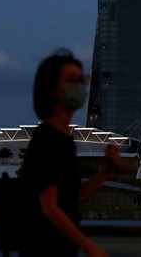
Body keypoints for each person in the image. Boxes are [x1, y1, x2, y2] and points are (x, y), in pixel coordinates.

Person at [20, 49, 121, 257]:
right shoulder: (49, 138)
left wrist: (106, 172)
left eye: (80, 79)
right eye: (71, 79)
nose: (79, 86)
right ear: (53, 90)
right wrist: (89, 247)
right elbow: (49, 207)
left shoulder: (64, 139)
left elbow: (69, 201)